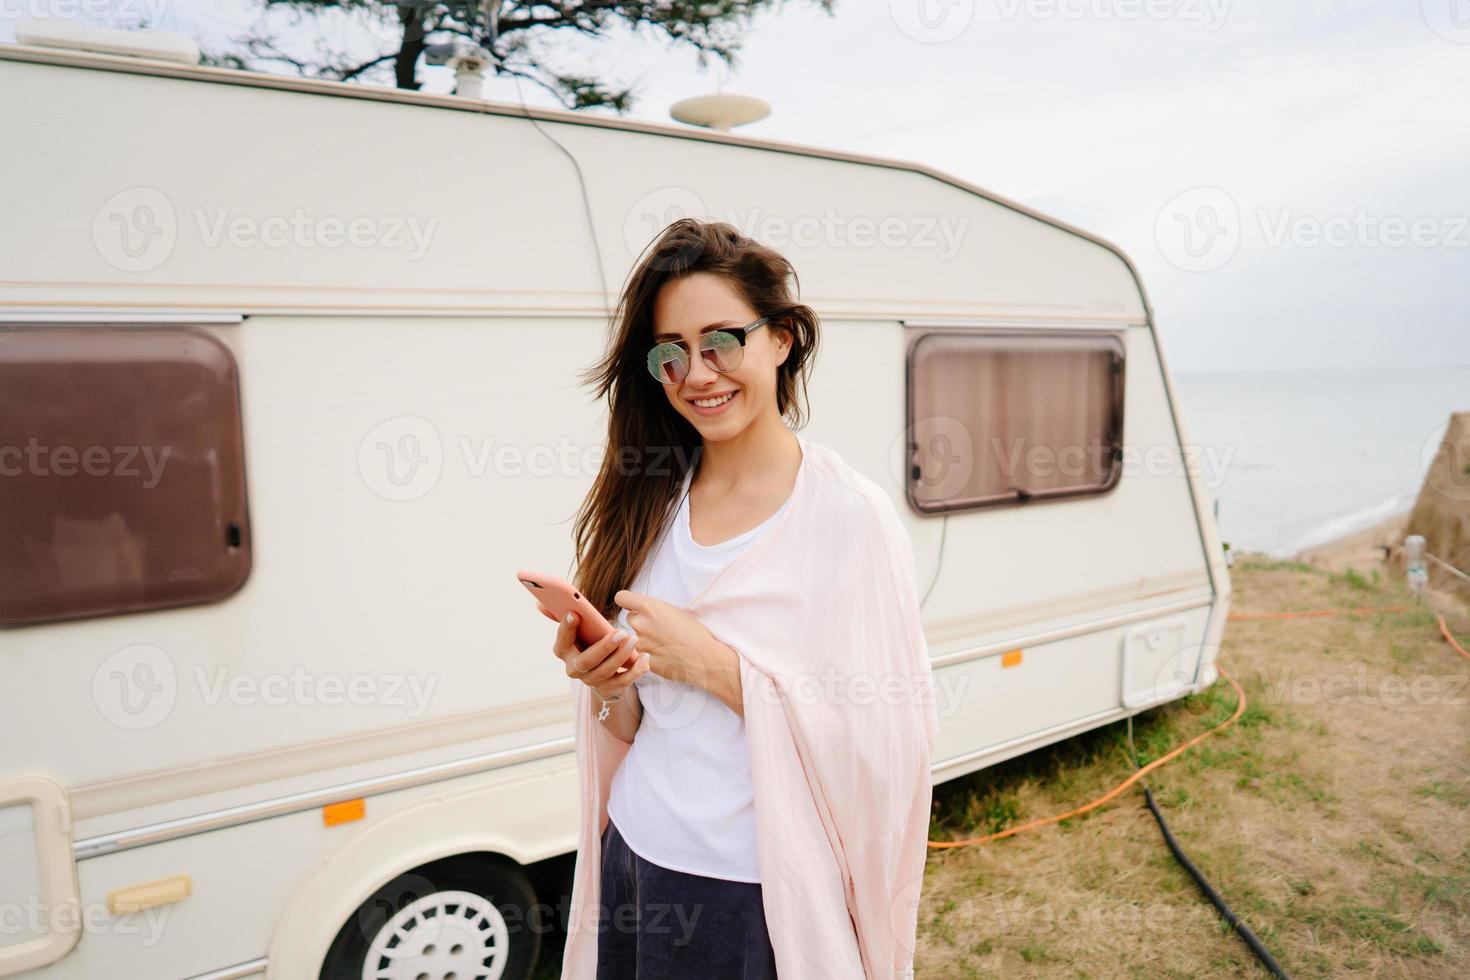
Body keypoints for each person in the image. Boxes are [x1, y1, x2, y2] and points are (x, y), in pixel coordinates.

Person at [548, 218, 937, 979]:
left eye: (723, 340)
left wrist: (722, 670)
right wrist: (606, 682)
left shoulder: (847, 516)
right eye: (671, 354)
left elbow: (892, 739)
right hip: (631, 855)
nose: (698, 373)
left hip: (746, 893)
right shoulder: (652, 497)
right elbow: (635, 721)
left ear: (783, 339)